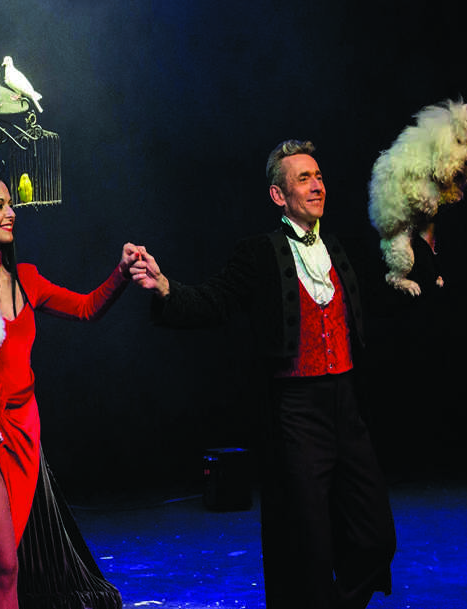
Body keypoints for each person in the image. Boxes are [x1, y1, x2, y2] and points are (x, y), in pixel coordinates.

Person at [130, 140, 396, 609]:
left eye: (319, 176)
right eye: (303, 179)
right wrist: (166, 287)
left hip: (346, 403)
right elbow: (216, 300)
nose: (316, 186)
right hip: (297, 411)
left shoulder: (339, 245)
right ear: (279, 195)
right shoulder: (259, 253)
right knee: (308, 543)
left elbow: (381, 292)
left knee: (376, 537)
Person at [0, 174, 140, 609]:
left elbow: (86, 308)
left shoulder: (27, 278)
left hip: (25, 430)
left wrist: (121, 272)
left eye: (10, 204)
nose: (11, 213)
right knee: (4, 565)